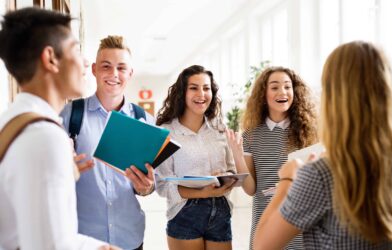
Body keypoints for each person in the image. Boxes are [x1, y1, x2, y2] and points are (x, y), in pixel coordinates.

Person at [253, 41, 392, 249]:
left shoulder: (321, 175)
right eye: (275, 87)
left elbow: (262, 245)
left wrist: (288, 179)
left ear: (334, 98)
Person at [0, 7, 114, 249]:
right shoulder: (44, 137)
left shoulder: (11, 123)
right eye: (76, 49)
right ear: (50, 58)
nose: (85, 62)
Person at [60, 35, 155, 250]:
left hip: (129, 238)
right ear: (94, 69)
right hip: (83, 239)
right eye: (106, 66)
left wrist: (146, 187)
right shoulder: (69, 116)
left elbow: (149, 186)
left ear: (130, 74)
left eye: (121, 68)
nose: (114, 74)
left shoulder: (145, 122)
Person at [226, 66, 318, 249]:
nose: (282, 92)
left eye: (287, 86)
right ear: (264, 94)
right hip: (265, 222)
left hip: (301, 224)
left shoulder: (309, 133)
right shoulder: (250, 135)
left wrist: (288, 185)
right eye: (275, 87)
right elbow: (251, 188)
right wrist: (237, 154)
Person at [155, 65, 237, 250]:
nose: (201, 94)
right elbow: (162, 186)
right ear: (182, 92)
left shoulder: (219, 128)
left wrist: (226, 177)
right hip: (185, 213)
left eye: (206, 88)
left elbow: (232, 169)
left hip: (221, 210)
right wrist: (204, 192)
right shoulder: (167, 133)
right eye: (194, 88)